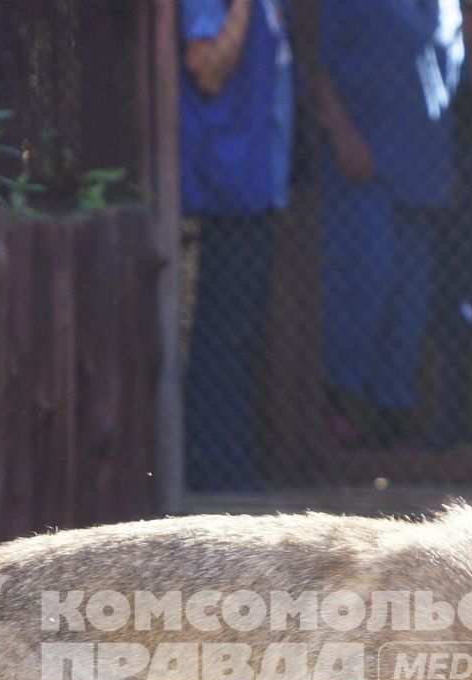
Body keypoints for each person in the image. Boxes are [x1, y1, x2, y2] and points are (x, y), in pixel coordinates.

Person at [315, 0, 464, 448]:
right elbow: (317, 71)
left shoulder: (444, 6)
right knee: (369, 277)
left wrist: (447, 160)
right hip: (365, 166)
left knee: (411, 298)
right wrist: (342, 135)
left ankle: (389, 417)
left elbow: (444, 77)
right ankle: (340, 406)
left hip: (423, 173)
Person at [180, 0, 295, 492]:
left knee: (239, 334)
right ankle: (217, 476)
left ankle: (234, 469)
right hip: (224, 185)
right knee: (221, 337)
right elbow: (206, 69)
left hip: (255, 183)